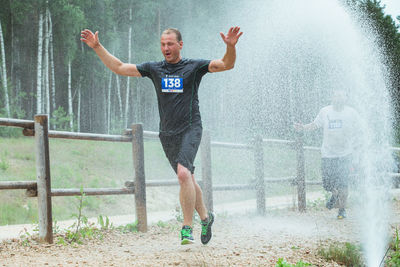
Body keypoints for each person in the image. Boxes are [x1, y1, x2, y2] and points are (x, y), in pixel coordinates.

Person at [80, 26, 243, 244]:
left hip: (191, 127)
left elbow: (226, 64)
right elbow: (119, 67)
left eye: (170, 44)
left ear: (180, 45)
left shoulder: (194, 67)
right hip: (167, 134)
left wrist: (230, 47)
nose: (165, 48)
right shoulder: (155, 69)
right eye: (163, 44)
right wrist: (98, 47)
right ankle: (206, 217)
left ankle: (186, 228)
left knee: (183, 174)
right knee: (189, 178)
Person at [294, 90, 362, 219]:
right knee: (327, 184)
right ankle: (335, 194)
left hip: (345, 154)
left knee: (343, 183)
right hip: (328, 154)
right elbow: (315, 125)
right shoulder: (325, 111)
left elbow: (360, 129)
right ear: (332, 98)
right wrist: (302, 127)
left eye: (341, 95)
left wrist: (358, 145)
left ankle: (342, 210)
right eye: (336, 95)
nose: (338, 98)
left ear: (346, 98)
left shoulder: (351, 113)